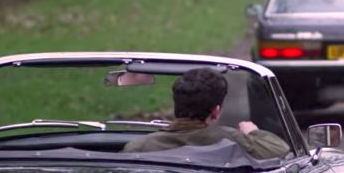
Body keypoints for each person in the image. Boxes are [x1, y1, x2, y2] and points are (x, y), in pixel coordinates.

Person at [122, 68, 290, 159]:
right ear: (216, 111)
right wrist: (252, 132)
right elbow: (281, 149)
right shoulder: (233, 140)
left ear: (176, 105)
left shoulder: (138, 148)